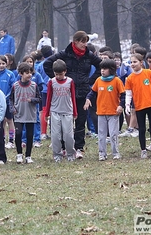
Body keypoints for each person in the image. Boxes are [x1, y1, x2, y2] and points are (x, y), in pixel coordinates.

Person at [43, 31, 102, 159]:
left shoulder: (88, 55)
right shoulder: (65, 53)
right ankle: (64, 148)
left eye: (86, 41)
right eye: (82, 41)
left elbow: (100, 65)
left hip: (82, 92)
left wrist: (91, 80)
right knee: (65, 123)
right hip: (66, 93)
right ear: (75, 41)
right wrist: (58, 80)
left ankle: (79, 148)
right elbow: (47, 64)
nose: (84, 44)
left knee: (81, 120)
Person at [124, 53, 151, 158]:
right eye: (131, 62)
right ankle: (143, 150)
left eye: (135, 62)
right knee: (141, 129)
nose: (132, 64)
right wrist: (127, 105)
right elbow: (128, 93)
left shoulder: (148, 73)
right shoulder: (130, 78)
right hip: (139, 106)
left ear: (141, 63)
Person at [84, 59, 124, 161]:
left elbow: (123, 95)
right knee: (101, 134)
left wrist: (121, 106)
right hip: (101, 112)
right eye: (101, 68)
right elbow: (92, 92)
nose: (102, 71)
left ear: (111, 69)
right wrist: (88, 99)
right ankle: (102, 153)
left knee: (113, 134)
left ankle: (115, 153)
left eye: (105, 69)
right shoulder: (98, 80)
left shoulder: (117, 81)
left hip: (113, 113)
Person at [45, 59, 77, 162]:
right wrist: (47, 113)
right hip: (55, 112)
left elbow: (73, 97)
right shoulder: (51, 82)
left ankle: (71, 154)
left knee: (68, 135)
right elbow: (49, 97)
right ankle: (57, 155)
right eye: (56, 74)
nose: (59, 76)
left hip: (67, 112)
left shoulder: (70, 81)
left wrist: (75, 112)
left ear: (65, 71)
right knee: (55, 136)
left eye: (61, 74)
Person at [9, 62, 41, 164]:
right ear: (20, 74)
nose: (29, 75)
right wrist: (12, 108)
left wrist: (32, 100)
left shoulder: (34, 85)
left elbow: (40, 99)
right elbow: (10, 99)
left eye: (30, 72)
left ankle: (28, 155)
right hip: (18, 114)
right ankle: (19, 154)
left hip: (30, 114)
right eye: (26, 73)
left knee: (29, 135)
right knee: (18, 133)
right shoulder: (15, 86)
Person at [19, 55, 45, 148]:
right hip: (23, 102)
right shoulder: (20, 76)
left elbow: (41, 86)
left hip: (34, 103)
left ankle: (37, 139)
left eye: (31, 62)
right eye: (27, 61)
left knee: (36, 120)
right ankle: (24, 140)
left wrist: (34, 93)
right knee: (24, 120)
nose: (29, 63)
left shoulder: (36, 75)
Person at [0, 56, 16, 148]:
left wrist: (6, 97)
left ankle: (11, 140)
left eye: (3, 63)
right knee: (1, 121)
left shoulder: (10, 74)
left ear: (6, 64)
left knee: (9, 120)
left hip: (8, 101)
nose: (1, 65)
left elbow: (13, 87)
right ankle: (2, 139)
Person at [35, 46, 52, 140]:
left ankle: (43, 133)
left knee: (44, 111)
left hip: (44, 90)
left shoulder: (40, 65)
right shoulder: (55, 62)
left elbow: (38, 78)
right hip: (53, 90)